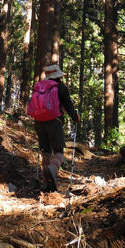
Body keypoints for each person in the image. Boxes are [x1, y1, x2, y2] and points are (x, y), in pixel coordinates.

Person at [34, 64, 80, 192]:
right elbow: (68, 104)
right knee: (59, 150)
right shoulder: (61, 87)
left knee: (46, 151)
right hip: (54, 121)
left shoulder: (39, 86)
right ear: (58, 76)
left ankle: (46, 182)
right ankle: (53, 170)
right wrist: (75, 117)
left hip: (38, 122)